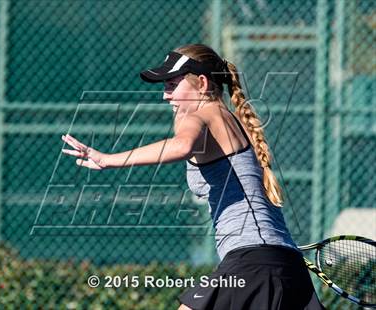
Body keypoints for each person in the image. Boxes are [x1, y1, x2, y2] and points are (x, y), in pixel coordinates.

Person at [61, 44, 325, 310]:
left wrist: (107, 159)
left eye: (172, 85)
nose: (166, 96)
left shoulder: (201, 114)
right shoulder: (237, 122)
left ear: (201, 83)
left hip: (252, 265)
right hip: (289, 268)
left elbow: (183, 145)